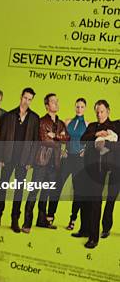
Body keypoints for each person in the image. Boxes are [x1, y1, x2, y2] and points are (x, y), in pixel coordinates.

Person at [0, 87, 39, 232]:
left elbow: (35, 142)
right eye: (25, 98)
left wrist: (31, 161)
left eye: (29, 99)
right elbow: (2, 139)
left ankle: (14, 220)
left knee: (19, 190)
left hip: (23, 161)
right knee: (1, 188)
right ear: (21, 97)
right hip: (7, 158)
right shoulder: (9, 115)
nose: (26, 101)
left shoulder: (34, 118)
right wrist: (0, 158)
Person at [22, 93, 69, 233]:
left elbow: (67, 138)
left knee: (46, 193)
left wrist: (55, 137)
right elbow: (43, 140)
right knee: (33, 193)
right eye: (53, 102)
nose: (56, 103)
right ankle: (27, 223)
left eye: (57, 101)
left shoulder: (60, 123)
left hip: (54, 164)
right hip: (41, 162)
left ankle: (41, 221)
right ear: (47, 106)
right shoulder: (41, 121)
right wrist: (58, 139)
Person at [78, 100, 117, 248]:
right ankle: (85, 229)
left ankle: (94, 238)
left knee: (95, 201)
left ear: (108, 111)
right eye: (97, 112)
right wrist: (96, 134)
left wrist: (105, 142)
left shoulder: (114, 127)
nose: (99, 114)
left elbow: (115, 145)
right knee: (85, 199)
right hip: (88, 167)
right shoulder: (92, 126)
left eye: (102, 111)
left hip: (102, 168)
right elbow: (83, 140)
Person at [60, 98, 88, 231]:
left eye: (82, 107)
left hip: (79, 160)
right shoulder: (67, 121)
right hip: (67, 158)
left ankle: (72, 219)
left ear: (85, 108)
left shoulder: (88, 124)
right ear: (74, 107)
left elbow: (91, 142)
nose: (79, 109)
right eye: (77, 106)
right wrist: (63, 150)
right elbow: (63, 138)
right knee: (58, 184)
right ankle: (50, 215)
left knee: (78, 191)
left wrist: (85, 151)